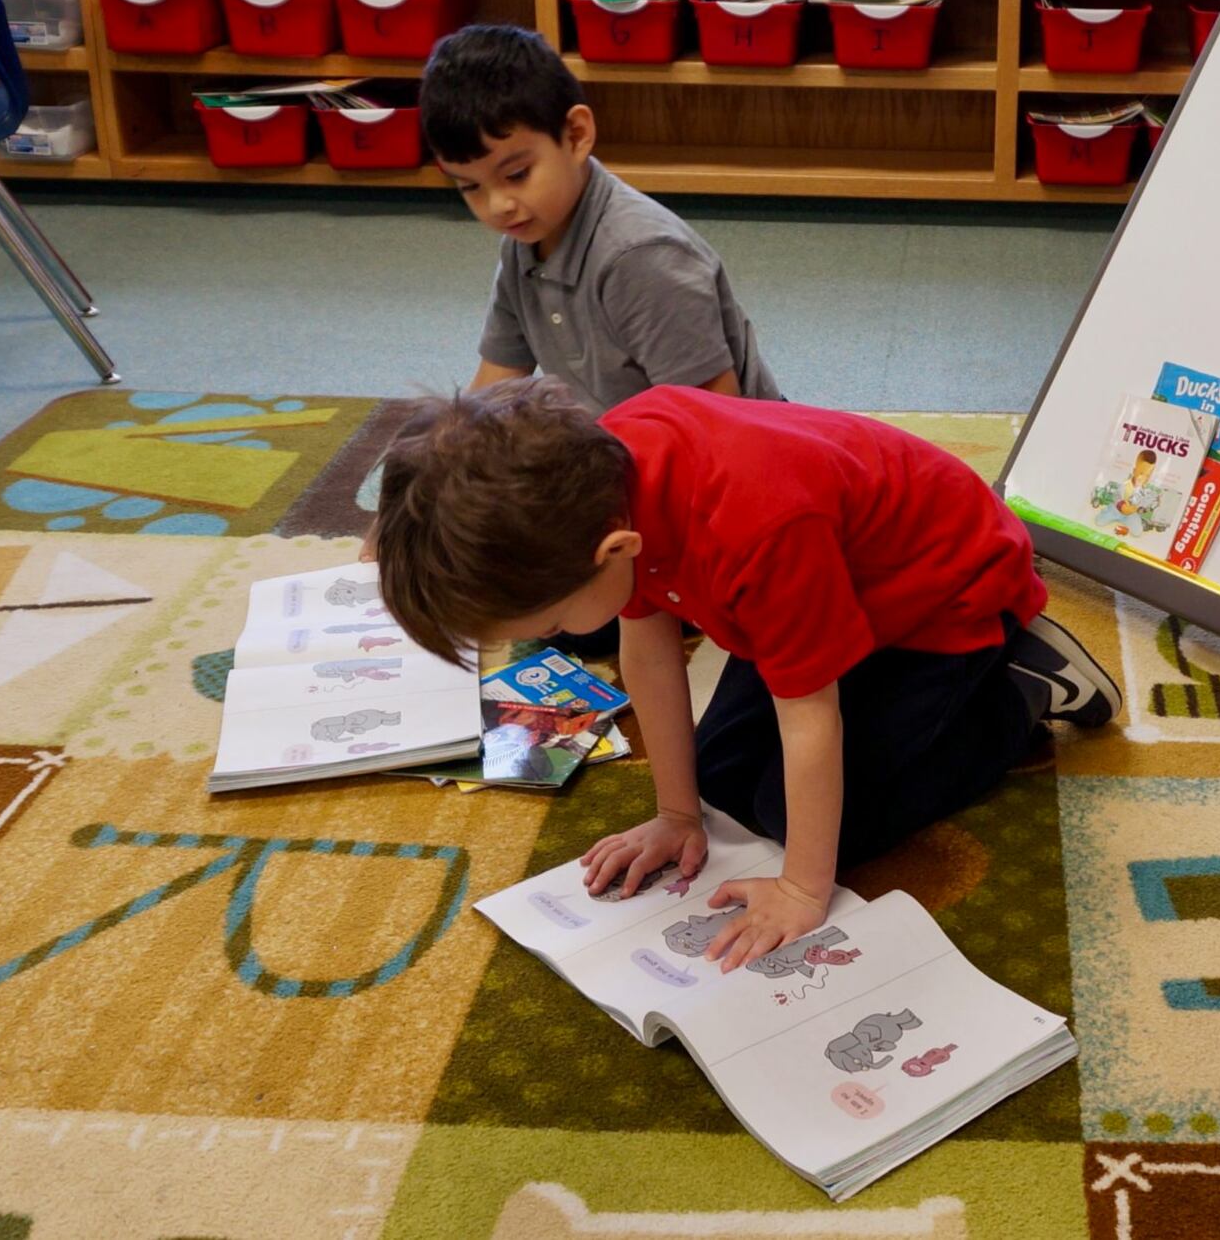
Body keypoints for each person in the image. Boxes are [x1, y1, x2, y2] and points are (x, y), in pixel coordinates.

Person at [369, 376, 1122, 973]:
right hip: (824, 595)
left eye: (556, 623)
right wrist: (676, 813)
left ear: (616, 551)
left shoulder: (756, 526)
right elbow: (647, 646)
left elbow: (810, 716)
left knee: (809, 821)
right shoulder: (597, 480)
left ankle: (1018, 688)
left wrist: (802, 889)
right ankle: (973, 692)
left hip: (942, 599)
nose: (562, 636)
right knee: (722, 784)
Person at [421, 24, 781, 416]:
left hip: (720, 446)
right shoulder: (523, 244)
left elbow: (713, 417)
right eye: (470, 187)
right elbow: (499, 380)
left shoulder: (639, 257)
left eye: (517, 175)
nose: (498, 206)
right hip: (618, 439)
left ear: (576, 135)